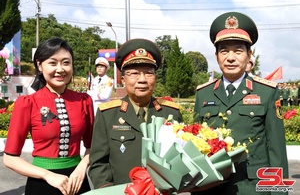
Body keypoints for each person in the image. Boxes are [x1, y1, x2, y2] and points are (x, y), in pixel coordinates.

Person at [193, 12, 288, 195]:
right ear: (216, 55)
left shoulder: (266, 92)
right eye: (224, 51)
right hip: (211, 188)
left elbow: (276, 151)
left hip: (252, 187)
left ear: (249, 54)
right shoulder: (203, 93)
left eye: (238, 51)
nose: (230, 57)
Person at [3, 37, 94, 195]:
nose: (60, 69)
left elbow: (92, 146)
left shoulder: (83, 101)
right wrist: (47, 175)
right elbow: (10, 158)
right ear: (39, 65)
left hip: (77, 182)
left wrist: (81, 169)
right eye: (53, 63)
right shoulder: (27, 103)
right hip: (41, 184)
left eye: (66, 62)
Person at [88, 38, 183, 189]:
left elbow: (181, 158)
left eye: (148, 73)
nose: (142, 80)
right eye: (134, 74)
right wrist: (108, 190)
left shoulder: (171, 112)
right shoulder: (107, 114)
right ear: (123, 80)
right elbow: (98, 162)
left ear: (155, 79)